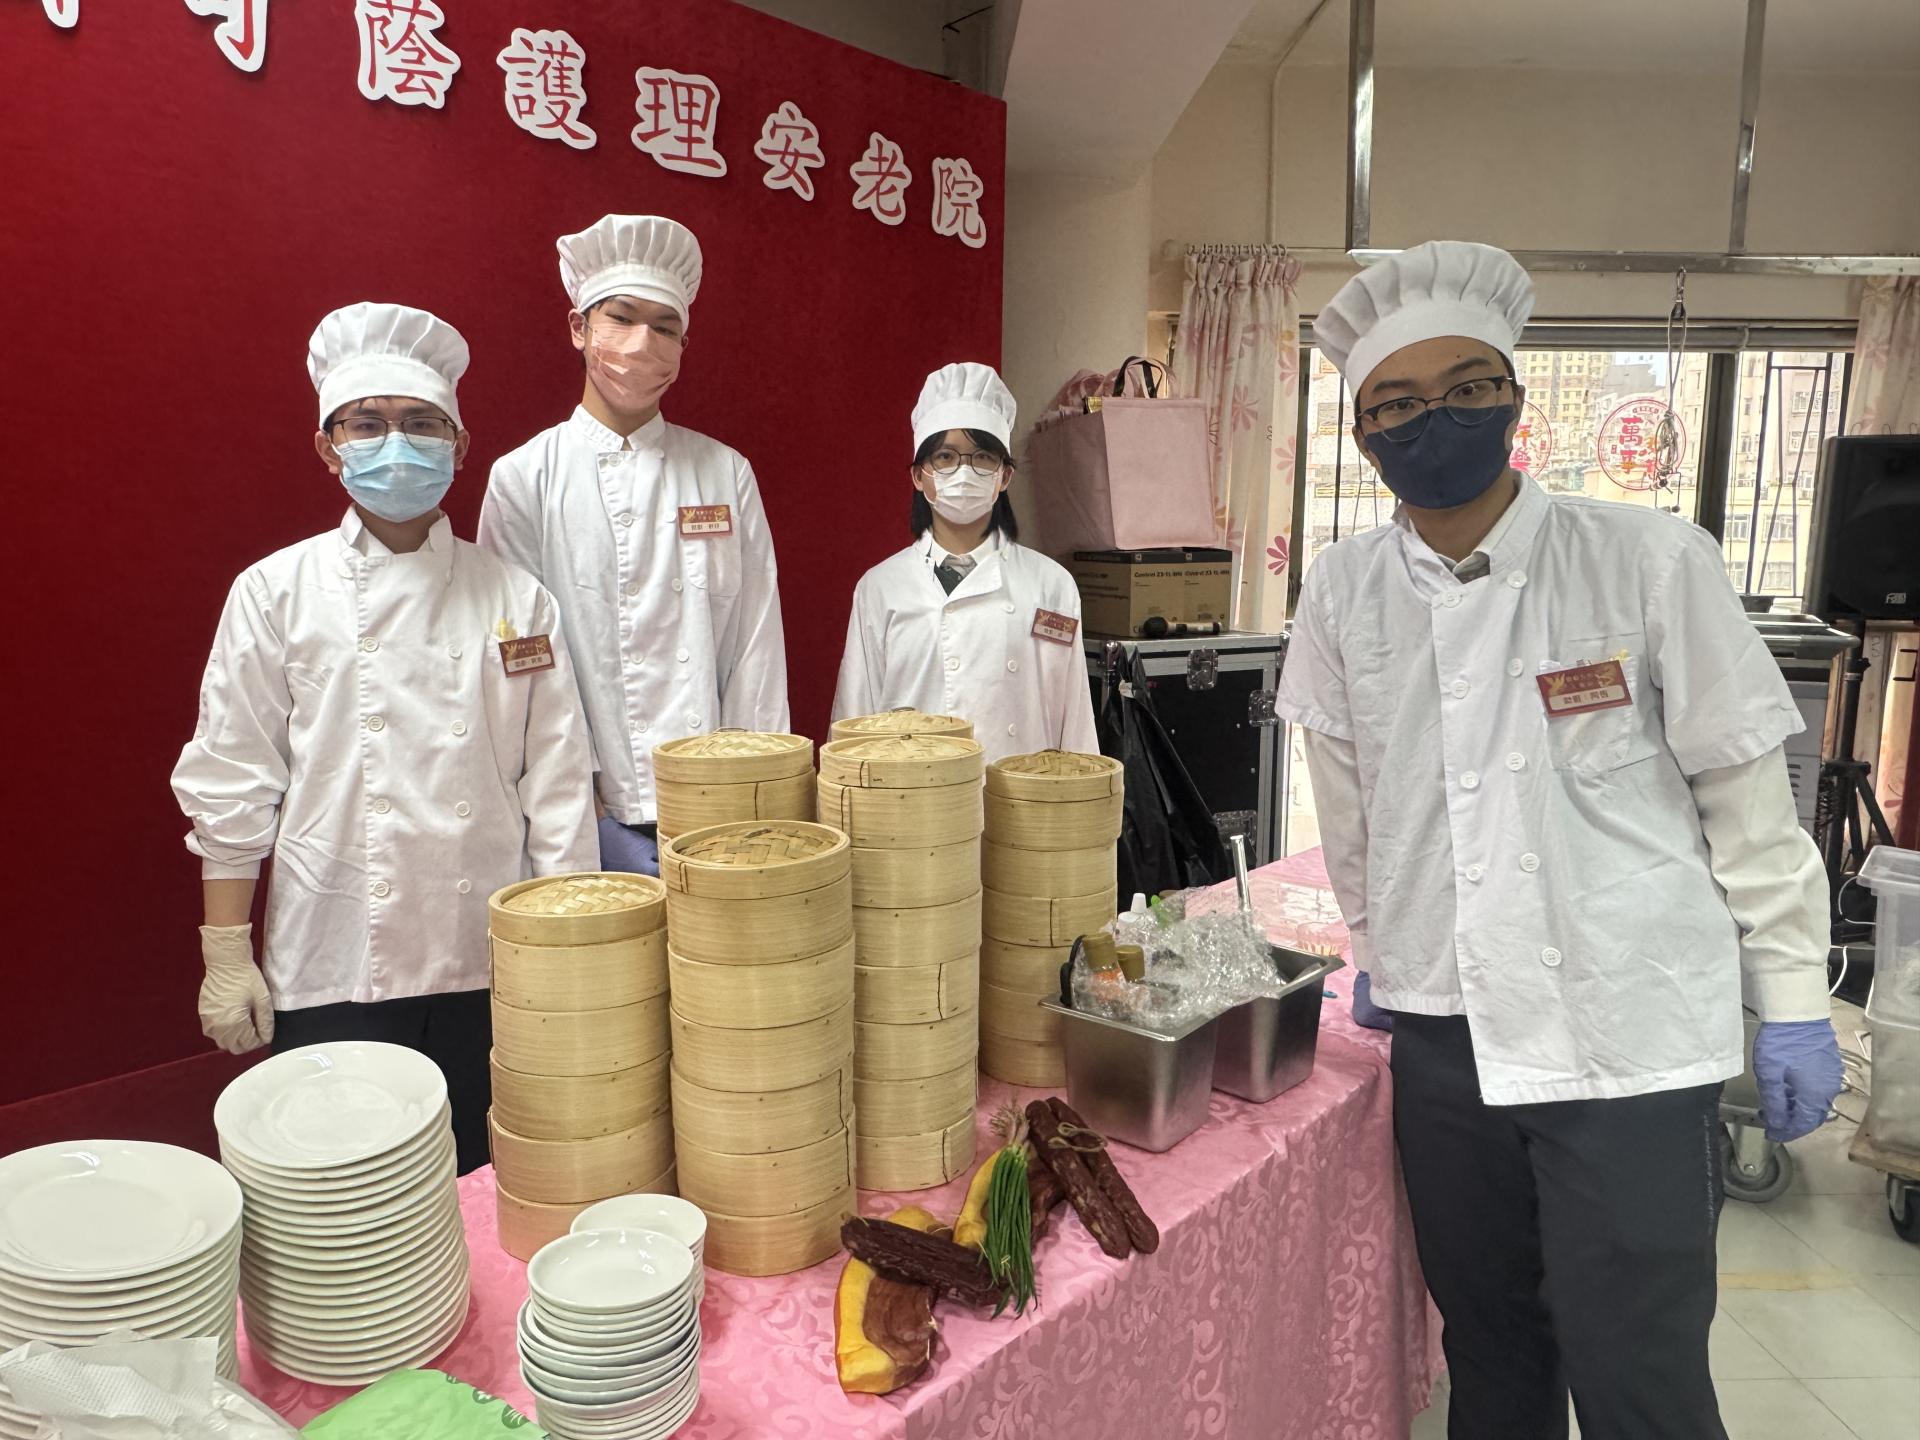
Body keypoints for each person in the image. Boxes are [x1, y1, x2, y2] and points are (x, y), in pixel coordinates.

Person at [1276, 241, 1844, 1440]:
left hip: (1627, 1031)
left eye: (1465, 388)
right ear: (1363, 434)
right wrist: (1381, 951)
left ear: (1514, 398)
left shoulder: (1648, 560)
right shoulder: (1342, 589)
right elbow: (1350, 802)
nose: (1431, 421)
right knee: (1490, 1352)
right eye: (1395, 404)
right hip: (1446, 1031)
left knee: (1638, 1368)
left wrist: (1794, 992)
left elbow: (1748, 800)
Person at [173, 302, 598, 1174]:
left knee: (482, 1180)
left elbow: (555, 791)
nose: (396, 444)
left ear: (459, 445)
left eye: (421, 424)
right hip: (334, 953)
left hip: (491, 956)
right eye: (367, 424)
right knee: (344, 1188)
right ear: (328, 447)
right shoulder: (274, 591)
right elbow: (233, 777)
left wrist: (567, 953)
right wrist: (226, 951)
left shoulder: (518, 597)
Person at [479, 214, 788, 877]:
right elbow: (520, 654)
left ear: (683, 345)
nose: (643, 342)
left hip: (713, 796)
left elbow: (755, 641)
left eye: (665, 327)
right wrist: (578, 797)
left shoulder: (724, 472)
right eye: (621, 318)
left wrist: (752, 782)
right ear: (579, 327)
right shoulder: (524, 477)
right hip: (581, 802)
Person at [832, 362, 1098, 761]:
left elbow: (1074, 721)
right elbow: (854, 723)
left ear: (1004, 477)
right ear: (918, 476)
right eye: (945, 456)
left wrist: (1081, 794)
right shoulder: (881, 587)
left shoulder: (1051, 586)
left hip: (1019, 793)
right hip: (908, 792)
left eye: (983, 457)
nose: (964, 472)